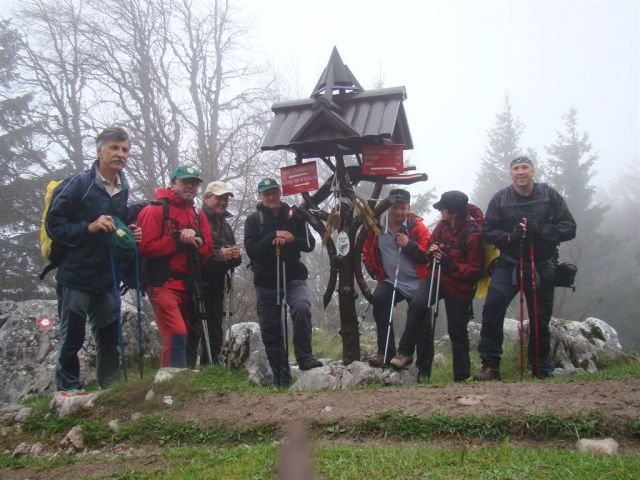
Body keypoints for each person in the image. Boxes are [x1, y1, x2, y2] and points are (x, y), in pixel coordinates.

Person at [46, 127, 142, 391]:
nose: (120, 154)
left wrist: (129, 232)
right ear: (99, 150)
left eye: (124, 149)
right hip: (76, 274)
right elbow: (53, 224)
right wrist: (88, 227)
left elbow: (116, 223)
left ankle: (109, 390)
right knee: (73, 336)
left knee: (109, 335)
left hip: (106, 275)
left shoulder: (123, 187)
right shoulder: (80, 183)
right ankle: (67, 389)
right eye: (114, 148)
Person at [475, 156, 576, 380]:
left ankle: (540, 367)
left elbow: (569, 227)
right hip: (508, 264)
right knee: (492, 308)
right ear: (510, 173)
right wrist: (510, 237)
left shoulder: (549, 195)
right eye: (515, 168)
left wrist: (541, 230)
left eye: (525, 168)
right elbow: (487, 231)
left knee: (540, 318)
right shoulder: (500, 198)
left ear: (533, 170)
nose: (520, 172)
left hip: (542, 265)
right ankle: (490, 365)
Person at [390, 191, 484, 382]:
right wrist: (432, 250)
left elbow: (475, 270)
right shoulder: (443, 225)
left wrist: (449, 262)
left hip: (460, 286)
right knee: (417, 303)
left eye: (443, 209)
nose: (440, 211)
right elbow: (429, 246)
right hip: (437, 276)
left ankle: (461, 376)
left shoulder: (473, 235)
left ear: (453, 212)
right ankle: (405, 352)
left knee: (457, 330)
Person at [244, 178, 322, 387]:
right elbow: (251, 250)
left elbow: (309, 244)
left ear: (280, 194)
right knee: (271, 328)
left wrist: (290, 238)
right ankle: (281, 376)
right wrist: (273, 236)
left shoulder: (293, 216)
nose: (271, 197)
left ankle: (305, 357)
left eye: (274, 193)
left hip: (293, 276)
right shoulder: (253, 220)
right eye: (267, 193)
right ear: (260, 196)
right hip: (266, 281)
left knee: (302, 307)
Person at [137, 165, 212, 369]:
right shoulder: (155, 210)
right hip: (162, 283)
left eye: (194, 183)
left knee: (183, 333)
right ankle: (170, 385)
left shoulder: (197, 215)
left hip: (188, 284)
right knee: (176, 332)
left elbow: (207, 248)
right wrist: (178, 239)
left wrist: (196, 237)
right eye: (184, 182)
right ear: (173, 184)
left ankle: (171, 385)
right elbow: (145, 247)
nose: (190, 186)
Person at [362, 189, 430, 368]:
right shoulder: (377, 227)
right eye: (395, 207)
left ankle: (410, 357)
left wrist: (409, 245)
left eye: (403, 207)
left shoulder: (417, 227)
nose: (399, 212)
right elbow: (367, 251)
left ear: (408, 207)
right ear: (388, 208)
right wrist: (375, 272)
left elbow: (428, 255)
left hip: (419, 281)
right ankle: (385, 352)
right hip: (393, 279)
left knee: (420, 314)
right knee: (380, 300)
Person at [197, 181, 241, 365]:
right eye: (219, 198)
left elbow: (231, 255)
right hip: (198, 281)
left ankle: (212, 368)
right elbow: (197, 252)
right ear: (207, 198)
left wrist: (234, 256)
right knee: (197, 327)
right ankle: (189, 369)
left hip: (217, 282)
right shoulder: (198, 219)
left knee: (215, 327)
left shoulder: (225, 225)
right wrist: (220, 255)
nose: (223, 202)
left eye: (225, 198)